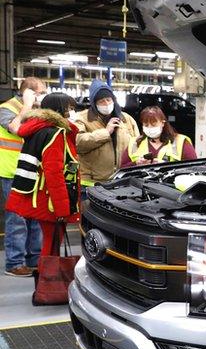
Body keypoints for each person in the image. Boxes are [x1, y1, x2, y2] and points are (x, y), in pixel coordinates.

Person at [4, 93, 80, 264]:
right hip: (51, 201)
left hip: (40, 196)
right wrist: (62, 209)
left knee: (48, 243)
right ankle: (47, 286)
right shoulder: (56, 133)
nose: (73, 111)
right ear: (60, 109)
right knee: (51, 247)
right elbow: (54, 174)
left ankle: (44, 283)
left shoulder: (38, 129)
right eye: (70, 108)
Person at [0, 77, 47, 276]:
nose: (42, 96)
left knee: (34, 218)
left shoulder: (38, 112)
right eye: (39, 93)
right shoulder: (6, 108)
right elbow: (15, 128)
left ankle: (34, 260)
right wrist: (26, 106)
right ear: (27, 92)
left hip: (33, 171)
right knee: (17, 220)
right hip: (12, 172)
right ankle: (14, 263)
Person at [74, 80, 139, 186]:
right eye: (101, 101)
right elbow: (78, 143)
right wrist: (106, 132)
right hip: (92, 183)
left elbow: (137, 144)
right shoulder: (82, 119)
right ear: (94, 103)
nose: (106, 104)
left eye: (108, 100)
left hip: (122, 180)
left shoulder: (126, 119)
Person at [120, 105, 197, 168]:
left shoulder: (181, 142)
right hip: (140, 185)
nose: (150, 128)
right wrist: (136, 163)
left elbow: (194, 168)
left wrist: (167, 166)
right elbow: (122, 168)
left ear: (163, 123)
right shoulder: (135, 143)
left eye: (154, 124)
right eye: (146, 125)